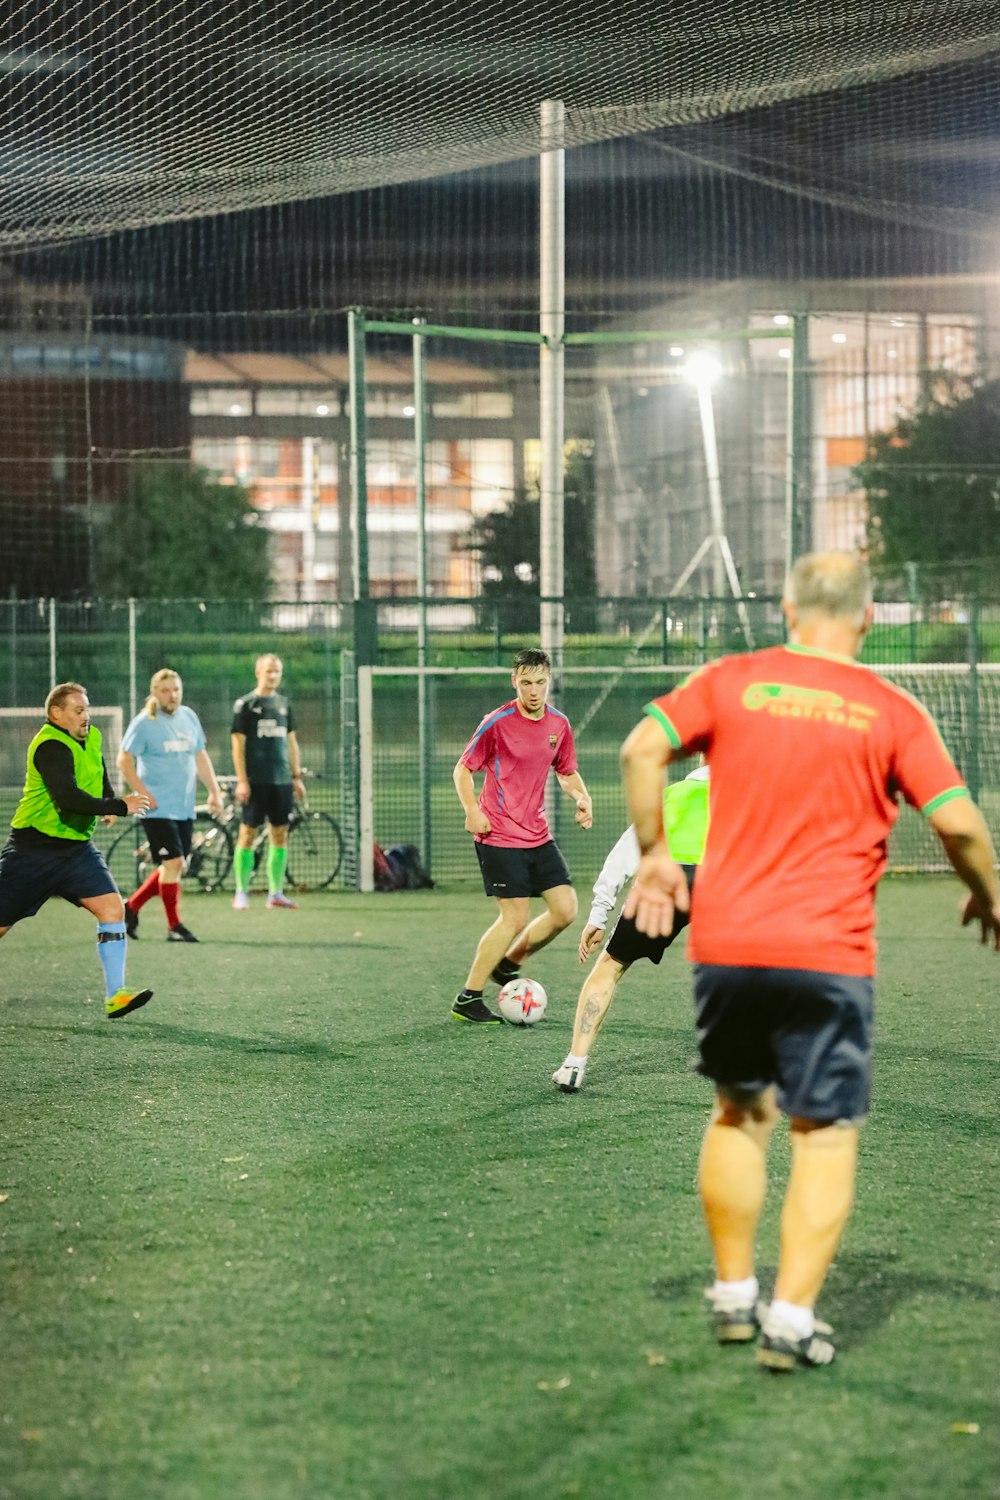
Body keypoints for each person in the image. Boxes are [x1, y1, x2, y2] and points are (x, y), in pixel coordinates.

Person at [620, 551, 1000, 1374]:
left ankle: (731, 1296)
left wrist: (654, 854)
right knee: (822, 1135)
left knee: (737, 1113)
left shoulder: (732, 680)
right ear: (867, 619)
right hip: (828, 953)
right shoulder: (890, 709)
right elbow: (961, 825)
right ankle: (790, 1321)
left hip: (727, 946)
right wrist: (988, 892)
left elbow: (640, 749)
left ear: (788, 611)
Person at [451, 647, 593, 1024]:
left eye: (541, 683)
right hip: (498, 834)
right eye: (526, 682)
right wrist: (472, 810)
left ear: (550, 681)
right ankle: (469, 998)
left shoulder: (558, 725)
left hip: (538, 834)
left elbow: (566, 772)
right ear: (515, 681)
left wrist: (582, 796)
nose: (534, 691)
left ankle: (509, 964)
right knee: (513, 919)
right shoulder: (496, 721)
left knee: (565, 910)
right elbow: (463, 770)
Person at [0, 683, 154, 1018]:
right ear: (56, 714)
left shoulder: (91, 736)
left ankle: (116, 996)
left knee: (113, 910)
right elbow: (67, 797)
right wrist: (118, 805)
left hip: (76, 851)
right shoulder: (49, 745)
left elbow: (97, 774)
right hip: (33, 852)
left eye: (86, 709)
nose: (86, 716)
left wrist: (109, 802)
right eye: (78, 710)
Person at [552, 764, 709, 1092]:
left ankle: (574, 1065)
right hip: (720, 885)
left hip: (665, 882)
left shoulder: (673, 795)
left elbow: (623, 855)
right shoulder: (747, 798)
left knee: (609, 967)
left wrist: (598, 913)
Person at [117, 669, 223, 943]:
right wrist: (143, 793)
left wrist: (214, 792)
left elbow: (200, 756)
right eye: (165, 690)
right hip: (156, 809)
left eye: (176, 689)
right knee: (174, 862)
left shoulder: (189, 717)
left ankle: (130, 908)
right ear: (154, 692)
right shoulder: (144, 723)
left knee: (175, 866)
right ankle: (174, 926)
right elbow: (123, 762)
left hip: (183, 806)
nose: (172, 695)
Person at [230, 653, 305, 910]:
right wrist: (242, 781)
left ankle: (276, 893)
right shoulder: (245, 705)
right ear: (258, 672)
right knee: (247, 834)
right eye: (269, 671)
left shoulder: (284, 704)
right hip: (255, 782)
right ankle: (241, 891)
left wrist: (296, 777)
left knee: (280, 834)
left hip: (281, 782)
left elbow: (292, 742)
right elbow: (237, 745)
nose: (273, 676)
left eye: (277, 672)